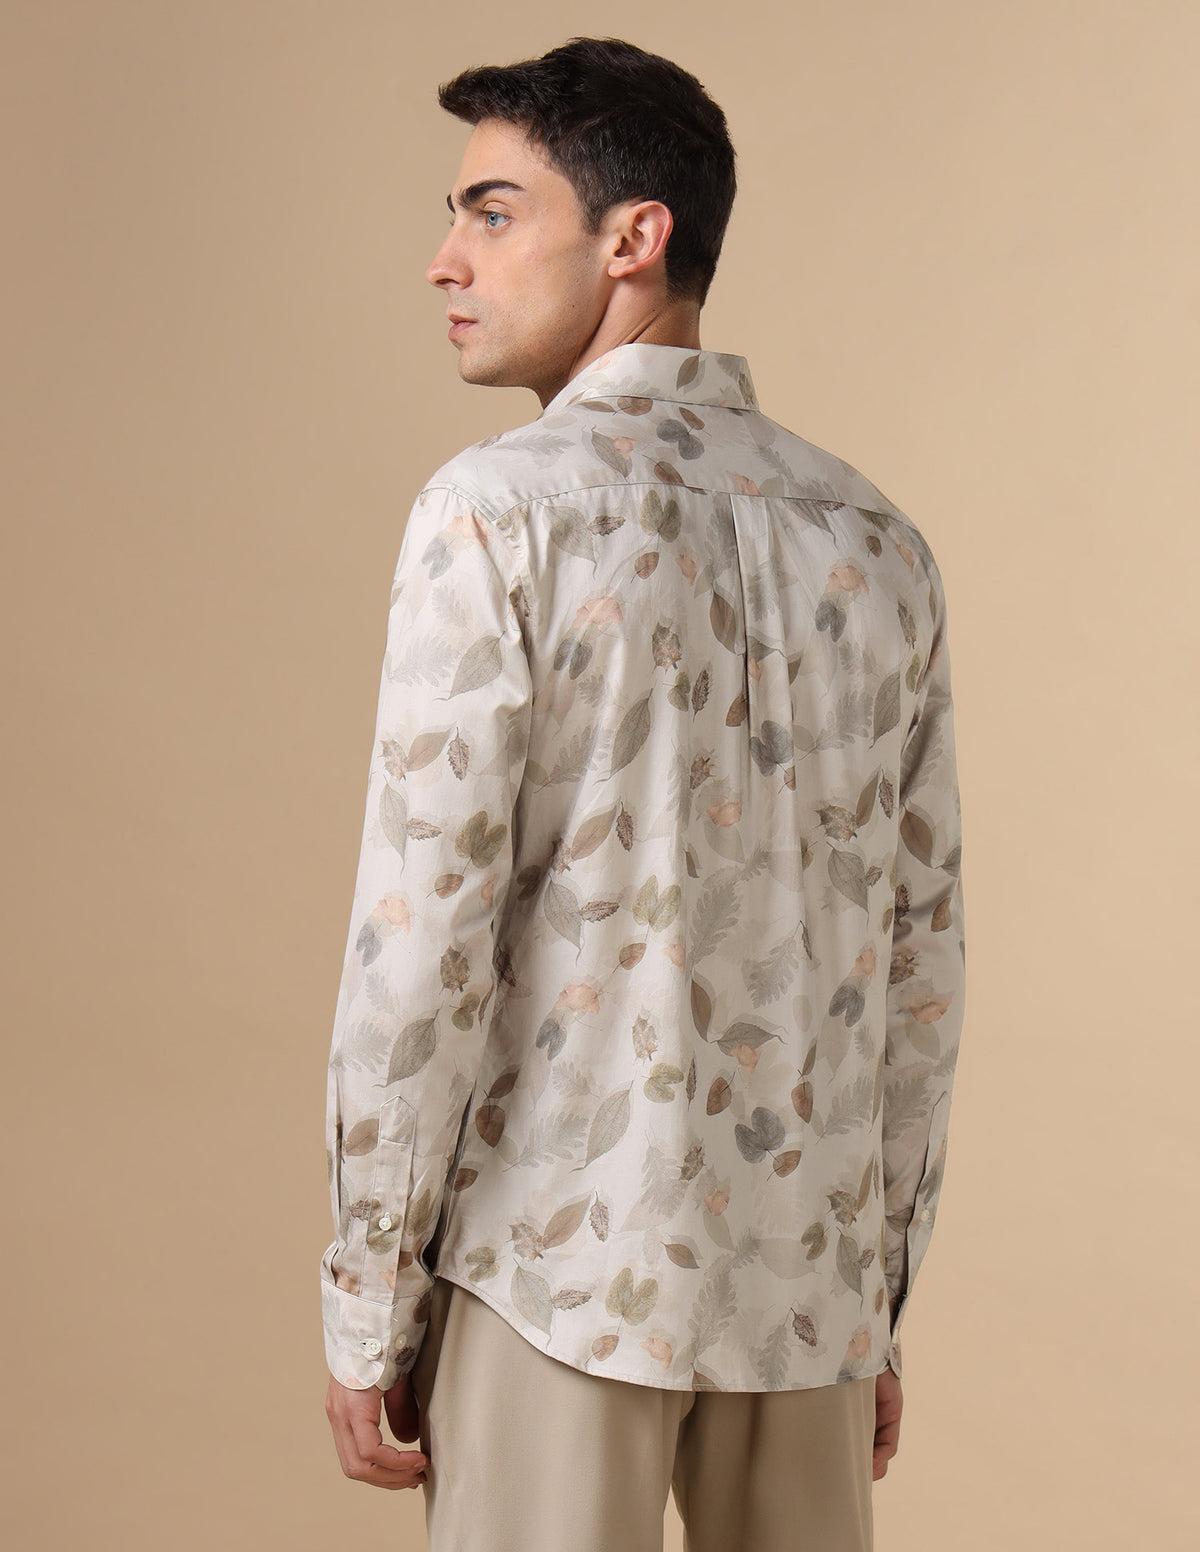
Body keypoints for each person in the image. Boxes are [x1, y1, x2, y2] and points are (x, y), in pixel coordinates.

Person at [320, 34, 966, 1552]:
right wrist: (874, 1298)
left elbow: (422, 943)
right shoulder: (878, 540)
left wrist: (368, 1295)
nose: (445, 260)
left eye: (492, 212)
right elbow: (917, 963)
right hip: (805, 1285)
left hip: (553, 1276)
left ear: (634, 237)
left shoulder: (496, 513)